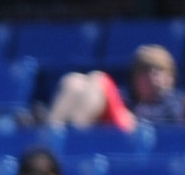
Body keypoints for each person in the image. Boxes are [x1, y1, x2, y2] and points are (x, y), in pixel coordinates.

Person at [44, 45, 182, 130]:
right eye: (144, 72)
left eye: (158, 71)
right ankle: (50, 129)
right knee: (74, 81)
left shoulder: (176, 104)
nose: (151, 78)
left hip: (131, 135)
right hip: (114, 132)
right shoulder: (127, 98)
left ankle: (76, 131)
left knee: (99, 78)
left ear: (170, 77)